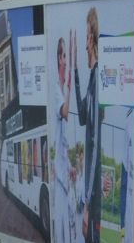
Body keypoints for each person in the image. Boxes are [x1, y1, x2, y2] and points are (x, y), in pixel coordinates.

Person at [73, 8, 102, 243]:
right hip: (89, 188)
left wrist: (88, 200)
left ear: (92, 39)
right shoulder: (92, 77)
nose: (84, 46)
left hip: (93, 189)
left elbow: (95, 141)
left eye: (86, 38)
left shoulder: (99, 80)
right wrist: (74, 70)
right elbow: (82, 117)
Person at [50, 37, 74, 243]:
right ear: (59, 58)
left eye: (67, 55)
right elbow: (65, 112)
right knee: (61, 232)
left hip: (66, 176)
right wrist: (70, 87)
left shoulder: (62, 89)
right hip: (58, 178)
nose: (66, 61)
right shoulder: (57, 90)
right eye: (64, 56)